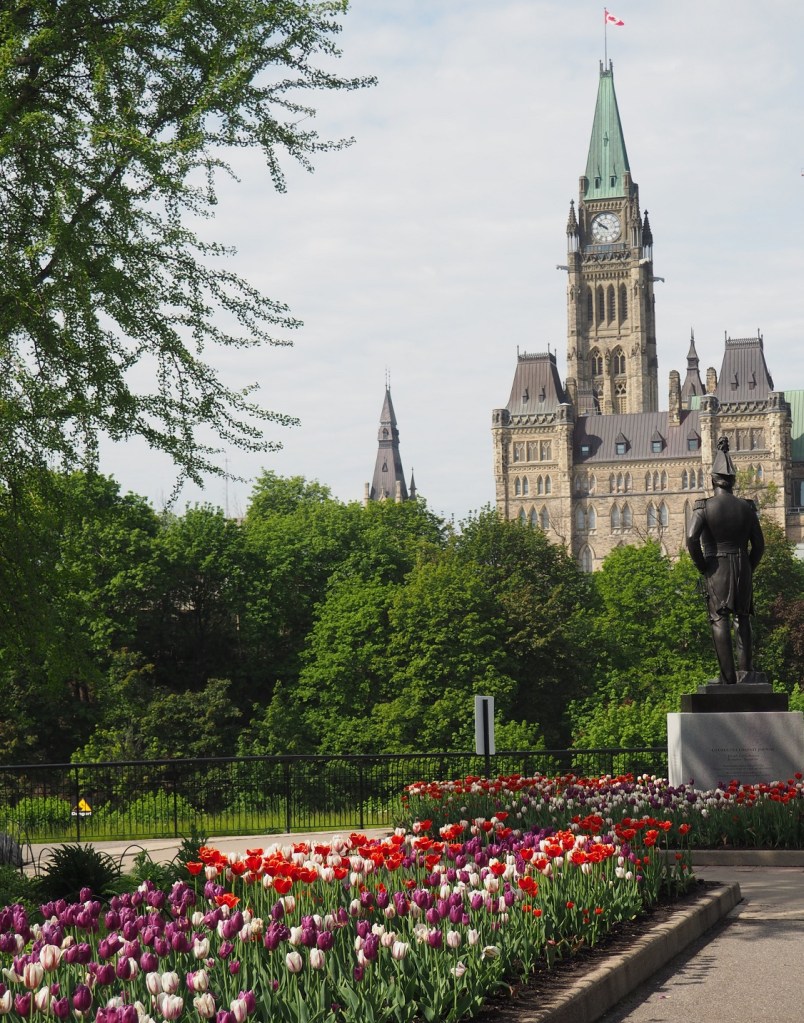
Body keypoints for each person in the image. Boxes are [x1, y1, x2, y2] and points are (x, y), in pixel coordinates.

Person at [686, 437, 765, 684]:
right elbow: (759, 545)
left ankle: (727, 677)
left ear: (713, 480)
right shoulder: (747, 507)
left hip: (716, 566)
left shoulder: (704, 506)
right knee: (742, 617)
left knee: (720, 618)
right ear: (732, 481)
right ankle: (746, 672)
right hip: (742, 564)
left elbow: (691, 538)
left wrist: (702, 566)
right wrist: (748, 567)